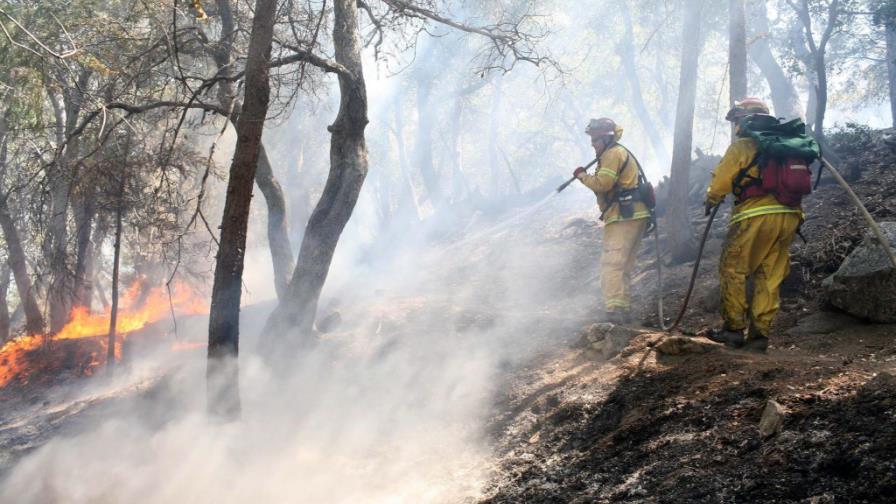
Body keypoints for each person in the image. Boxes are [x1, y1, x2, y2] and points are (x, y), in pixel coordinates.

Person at [703, 98, 803, 352]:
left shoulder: (742, 146)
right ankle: (759, 337)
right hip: (789, 216)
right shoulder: (787, 146)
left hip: (755, 215)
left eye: (736, 120)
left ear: (745, 119)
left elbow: (721, 182)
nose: (735, 125)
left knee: (732, 268)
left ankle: (733, 330)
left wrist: (711, 198)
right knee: (769, 276)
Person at [574, 118, 650, 324]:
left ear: (607, 139)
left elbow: (603, 184)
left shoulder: (612, 154)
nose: (592, 144)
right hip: (635, 214)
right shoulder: (617, 153)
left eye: (595, 140)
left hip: (622, 216)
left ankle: (614, 309)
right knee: (623, 265)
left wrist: (582, 176)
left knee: (612, 263)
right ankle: (622, 307)